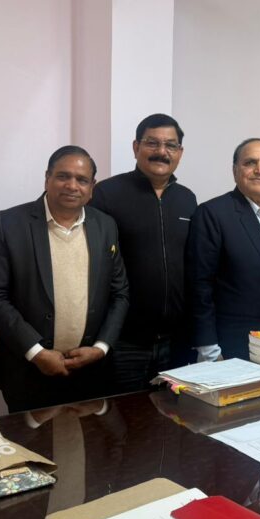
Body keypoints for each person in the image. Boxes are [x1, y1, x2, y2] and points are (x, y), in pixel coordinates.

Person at [0, 146, 129, 412]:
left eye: (82, 179)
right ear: (47, 178)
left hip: (90, 370)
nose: (72, 185)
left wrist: (101, 347)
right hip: (29, 370)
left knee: (91, 439)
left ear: (92, 187)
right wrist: (36, 352)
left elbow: (120, 293)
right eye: (63, 176)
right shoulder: (10, 223)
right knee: (31, 439)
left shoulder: (106, 225)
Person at [89, 114, 197, 389]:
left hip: (177, 341)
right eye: (152, 143)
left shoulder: (187, 199)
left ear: (180, 152)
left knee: (175, 414)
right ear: (136, 147)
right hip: (124, 341)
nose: (162, 151)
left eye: (170, 145)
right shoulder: (106, 194)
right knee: (125, 415)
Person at [188, 138, 260, 362]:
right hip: (234, 348)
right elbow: (199, 287)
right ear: (235, 170)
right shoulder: (212, 213)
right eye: (250, 163)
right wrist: (209, 350)